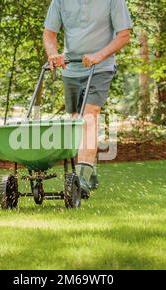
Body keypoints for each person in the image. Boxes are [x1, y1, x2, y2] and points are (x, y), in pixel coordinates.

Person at [43, 0, 132, 197]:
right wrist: (53, 54)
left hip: (100, 67)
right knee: (76, 120)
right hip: (71, 68)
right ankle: (89, 169)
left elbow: (124, 35)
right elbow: (50, 33)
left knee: (90, 116)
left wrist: (99, 55)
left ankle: (81, 178)